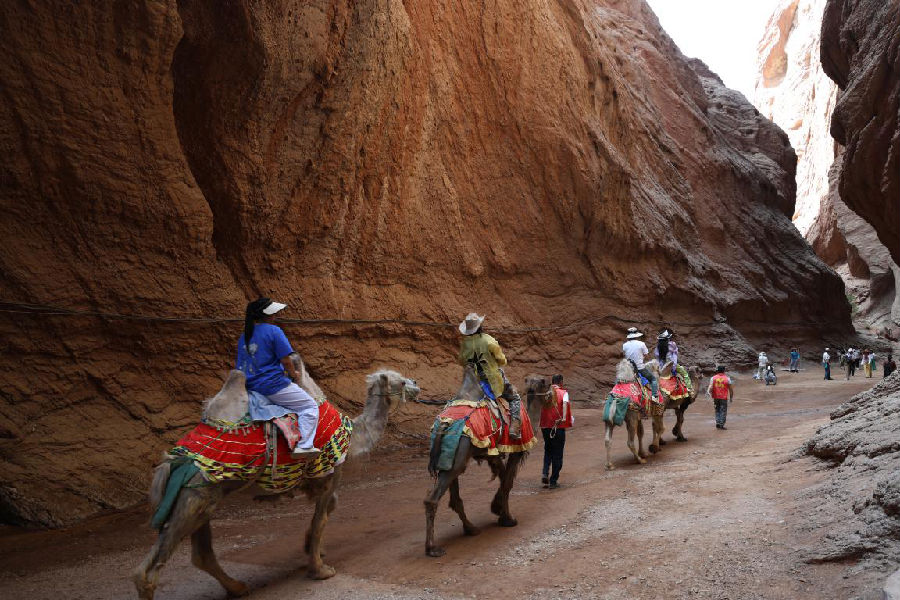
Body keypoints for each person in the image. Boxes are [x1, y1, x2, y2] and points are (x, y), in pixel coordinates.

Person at [237, 298, 320, 457]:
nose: (277, 314)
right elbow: (286, 360)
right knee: (309, 406)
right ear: (268, 314)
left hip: (251, 386)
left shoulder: (244, 335)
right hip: (273, 385)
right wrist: (294, 374)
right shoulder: (274, 331)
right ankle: (304, 446)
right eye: (274, 312)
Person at [458, 312, 523, 438]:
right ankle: (514, 427)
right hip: (492, 381)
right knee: (515, 397)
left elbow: (461, 361)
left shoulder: (464, 343)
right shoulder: (488, 340)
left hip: (473, 382)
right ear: (480, 326)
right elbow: (502, 360)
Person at [540, 374, 573, 489]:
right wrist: (563, 418)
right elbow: (564, 404)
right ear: (561, 382)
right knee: (557, 453)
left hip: (545, 427)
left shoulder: (546, 393)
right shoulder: (563, 393)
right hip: (557, 427)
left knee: (548, 450)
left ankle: (545, 472)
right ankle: (553, 480)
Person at [623, 327, 658, 398]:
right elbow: (646, 355)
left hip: (629, 369)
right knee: (653, 379)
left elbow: (625, 355)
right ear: (637, 336)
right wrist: (642, 359)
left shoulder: (625, 345)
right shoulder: (641, 344)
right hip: (640, 368)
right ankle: (654, 396)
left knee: (620, 379)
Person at [706, 365, 733, 430]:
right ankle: (721, 424)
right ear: (724, 371)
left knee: (717, 409)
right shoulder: (727, 379)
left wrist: (708, 392)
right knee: (723, 410)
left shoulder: (713, 378)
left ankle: (718, 422)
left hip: (715, 397)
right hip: (723, 397)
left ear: (717, 370)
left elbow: (710, 386)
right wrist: (731, 397)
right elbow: (731, 390)